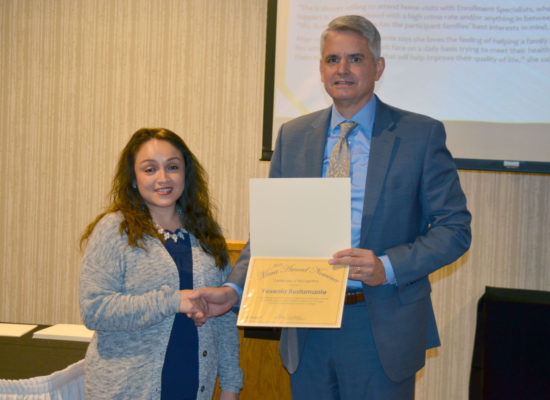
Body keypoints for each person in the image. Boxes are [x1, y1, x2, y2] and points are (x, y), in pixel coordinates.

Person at [196, 14, 472, 400]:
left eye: (355, 59)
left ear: (378, 67)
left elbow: (454, 230)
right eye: (332, 60)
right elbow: (271, 234)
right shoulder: (292, 136)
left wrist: (386, 267)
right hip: (306, 324)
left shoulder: (419, 135)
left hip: (378, 324)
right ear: (321, 69)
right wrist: (234, 288)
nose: (342, 70)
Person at [79, 128, 242, 400]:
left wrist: (230, 386)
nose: (163, 178)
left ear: (185, 173)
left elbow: (223, 319)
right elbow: (95, 310)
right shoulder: (114, 230)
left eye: (173, 167)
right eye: (150, 169)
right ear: (133, 178)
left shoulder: (205, 233)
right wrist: (172, 301)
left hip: (193, 386)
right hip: (126, 390)